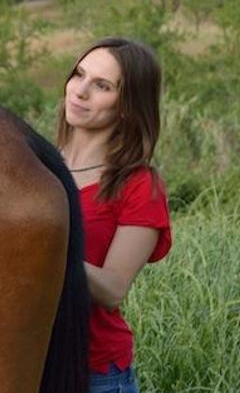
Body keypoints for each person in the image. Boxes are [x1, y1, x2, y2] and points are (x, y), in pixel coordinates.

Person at [56, 38, 172, 393]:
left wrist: (47, 242)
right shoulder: (35, 162)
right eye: (79, 75)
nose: (80, 91)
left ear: (127, 106)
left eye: (102, 86)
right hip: (27, 361)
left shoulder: (140, 186)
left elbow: (111, 289)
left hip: (95, 372)